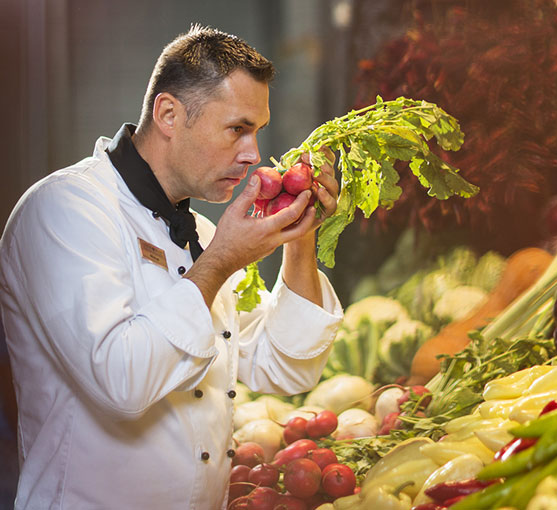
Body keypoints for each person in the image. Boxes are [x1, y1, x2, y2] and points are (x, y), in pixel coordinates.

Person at [0, 25, 343, 509]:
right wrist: (222, 261)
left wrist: (300, 232)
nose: (253, 156)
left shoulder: (199, 231)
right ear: (168, 114)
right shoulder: (64, 209)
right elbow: (119, 381)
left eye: (258, 132)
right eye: (237, 129)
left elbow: (283, 367)